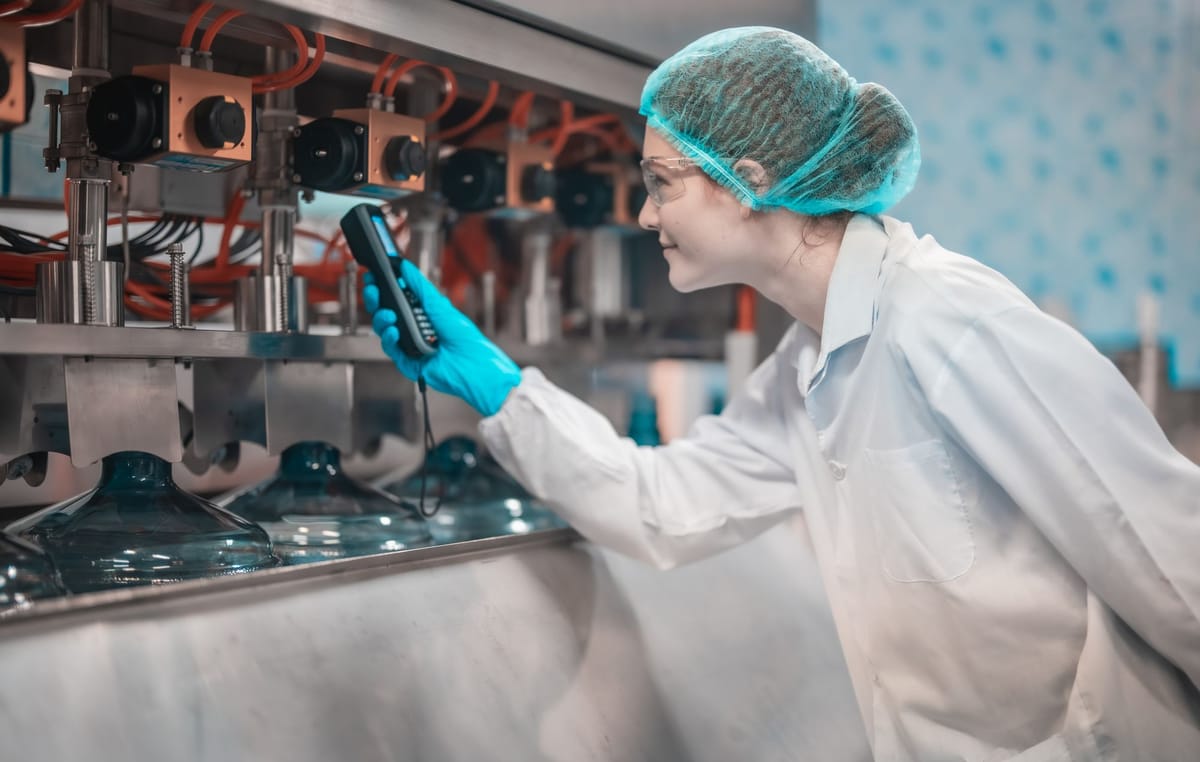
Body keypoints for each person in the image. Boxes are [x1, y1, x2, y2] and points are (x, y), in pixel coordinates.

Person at [364, 26, 1200, 762]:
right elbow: (663, 506)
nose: (648, 218)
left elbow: (1175, 570)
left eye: (661, 183)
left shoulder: (952, 323)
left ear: (749, 178)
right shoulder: (812, 362)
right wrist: (497, 385)